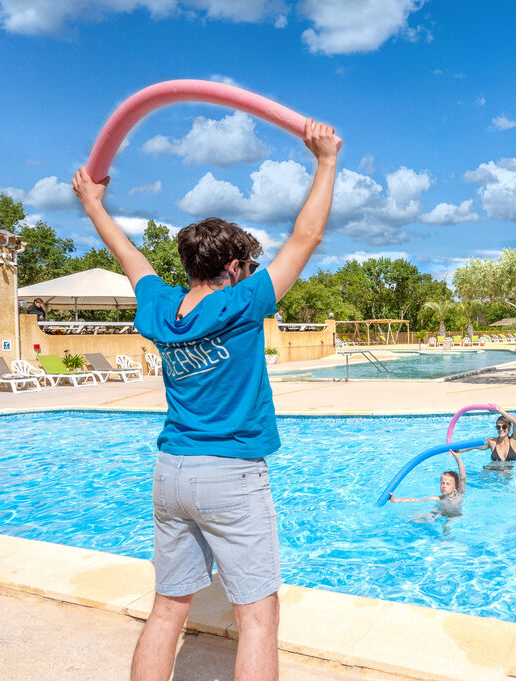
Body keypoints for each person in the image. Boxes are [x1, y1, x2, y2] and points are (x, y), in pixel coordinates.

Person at [72, 118, 339, 681]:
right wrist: (325, 162)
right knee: (259, 618)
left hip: (172, 472)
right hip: (231, 475)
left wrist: (94, 204)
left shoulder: (161, 308)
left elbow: (128, 255)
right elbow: (308, 237)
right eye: (249, 265)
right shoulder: (242, 303)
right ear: (237, 268)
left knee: (169, 606)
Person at [388, 449, 466, 519]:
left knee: (447, 526)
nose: (444, 486)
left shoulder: (458, 496)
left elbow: (462, 478)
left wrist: (458, 457)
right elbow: (416, 500)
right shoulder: (436, 499)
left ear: (455, 487)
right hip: (441, 512)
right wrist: (396, 500)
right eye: (442, 483)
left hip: (455, 515)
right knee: (421, 516)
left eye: (448, 484)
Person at [451, 406, 516, 462]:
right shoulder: (492, 442)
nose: (501, 429)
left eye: (504, 426)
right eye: (498, 427)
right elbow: (474, 446)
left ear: (509, 428)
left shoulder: (514, 440)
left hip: (508, 476)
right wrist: (457, 450)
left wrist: (499, 410)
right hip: (492, 472)